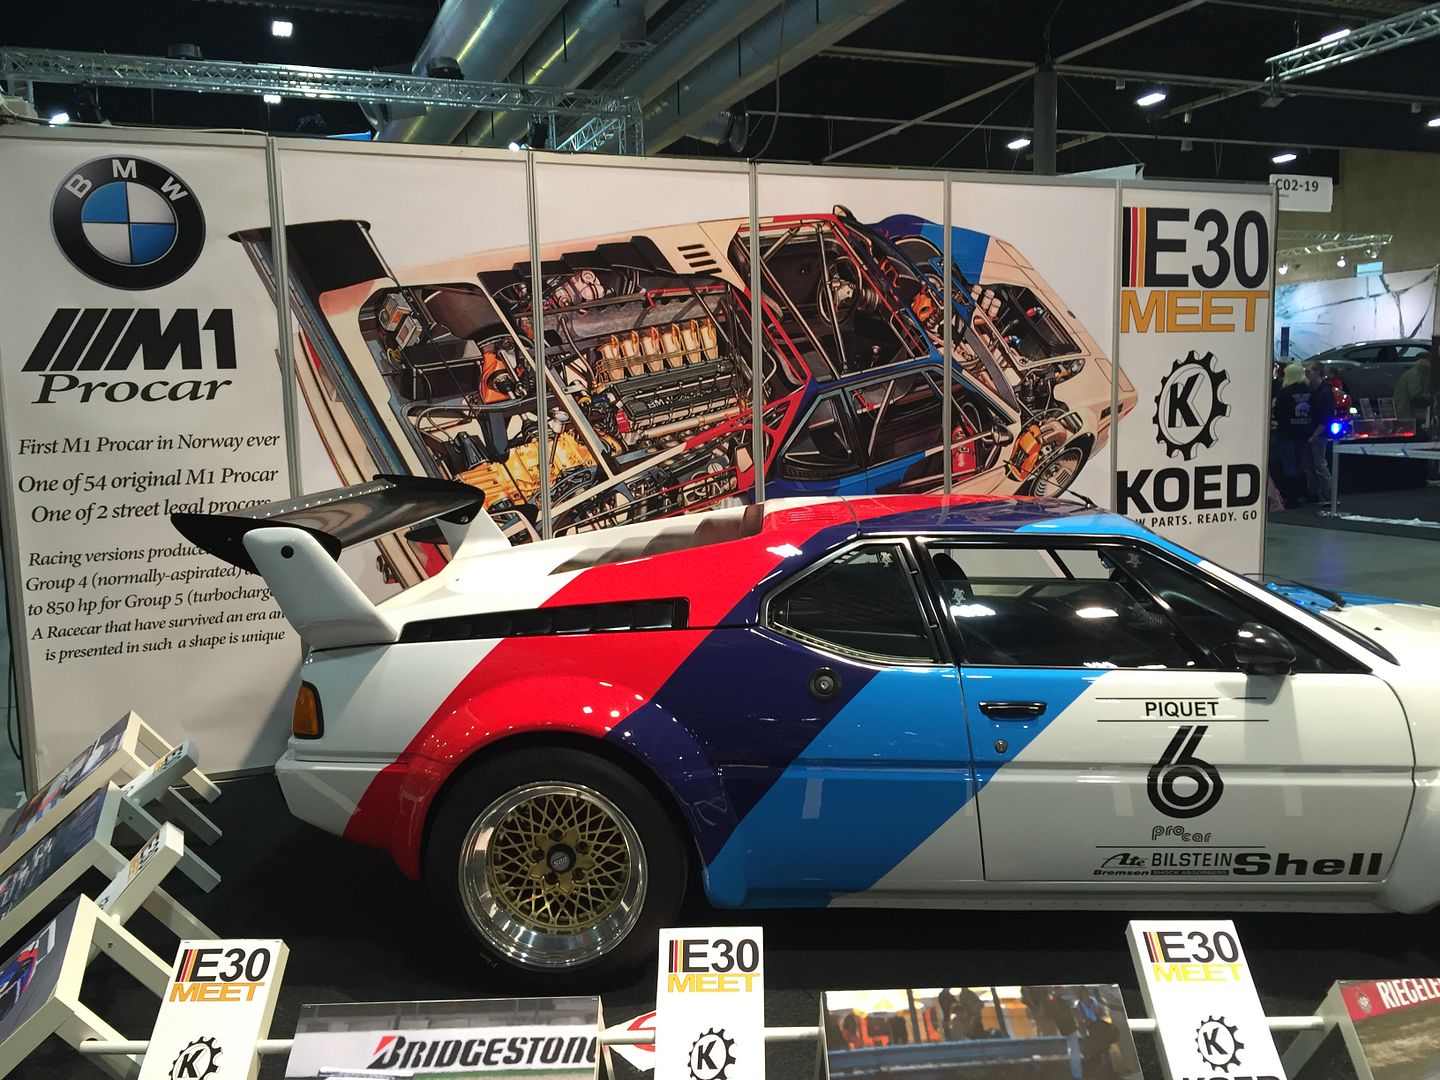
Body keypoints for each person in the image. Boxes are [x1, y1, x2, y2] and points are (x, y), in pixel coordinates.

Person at [1271, 362, 1314, 507]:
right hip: (1304, 433)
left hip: (1286, 433)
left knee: (1288, 465)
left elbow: (1278, 412)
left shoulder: (1285, 392)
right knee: (1300, 464)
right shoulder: (1309, 391)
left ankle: (1291, 497)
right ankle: (1301, 493)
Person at [1304, 364, 1335, 501]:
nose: (1306, 374)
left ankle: (1329, 495)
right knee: (1311, 466)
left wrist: (1315, 435)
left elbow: (1326, 417)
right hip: (1313, 431)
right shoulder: (1314, 390)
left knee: (1320, 465)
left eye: (1309, 371)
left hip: (1319, 433)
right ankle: (1316, 494)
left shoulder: (1325, 392)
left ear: (1317, 372)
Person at [1394, 353, 1433, 434]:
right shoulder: (1414, 375)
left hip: (1410, 414)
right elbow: (1416, 398)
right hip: (1409, 416)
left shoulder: (1416, 374)